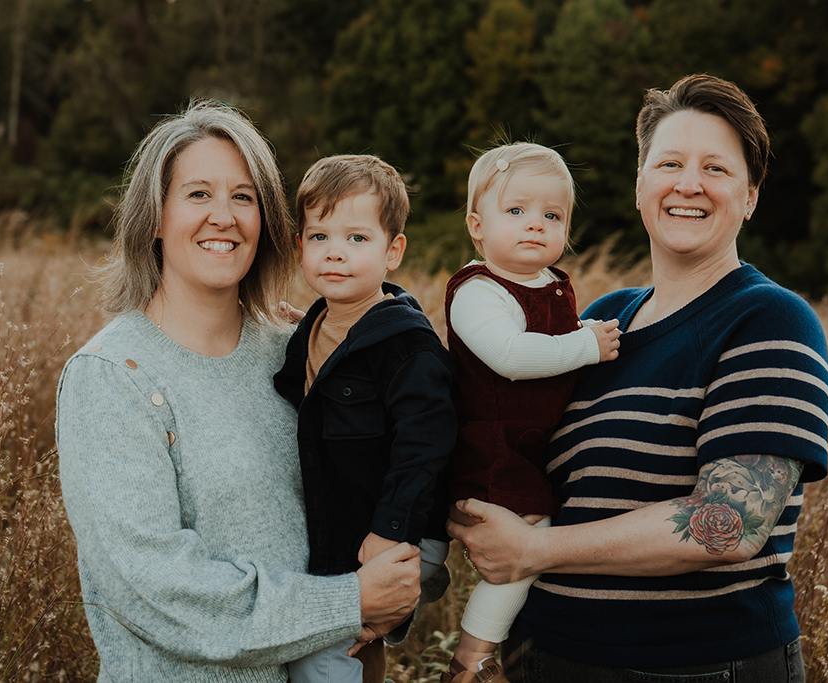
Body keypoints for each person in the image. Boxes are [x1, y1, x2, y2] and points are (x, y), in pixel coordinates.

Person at [447, 74, 828, 683]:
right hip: (544, 654)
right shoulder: (595, 323)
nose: (688, 184)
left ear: (752, 196)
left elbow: (729, 525)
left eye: (717, 168)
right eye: (669, 162)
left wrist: (533, 550)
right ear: (639, 184)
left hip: (696, 664)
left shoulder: (770, 319)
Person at [56, 101, 421, 682]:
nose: (223, 216)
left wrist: (391, 594)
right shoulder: (112, 375)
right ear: (154, 216)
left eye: (244, 197)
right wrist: (346, 603)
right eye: (198, 194)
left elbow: (379, 488)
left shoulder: (299, 356)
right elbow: (156, 590)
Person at [272, 154, 457, 683]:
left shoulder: (406, 346)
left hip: (391, 530)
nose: (335, 253)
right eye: (319, 237)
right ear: (300, 246)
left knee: (324, 656)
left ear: (392, 250)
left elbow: (427, 441)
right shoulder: (310, 331)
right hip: (343, 525)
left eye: (357, 239)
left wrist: (390, 530)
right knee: (346, 652)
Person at [442, 142, 622, 683]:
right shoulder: (478, 291)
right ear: (478, 225)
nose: (535, 225)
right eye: (516, 211)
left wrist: (581, 337)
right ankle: (472, 660)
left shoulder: (553, 284)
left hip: (532, 444)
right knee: (525, 540)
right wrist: (587, 345)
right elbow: (513, 357)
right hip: (493, 445)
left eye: (552, 215)